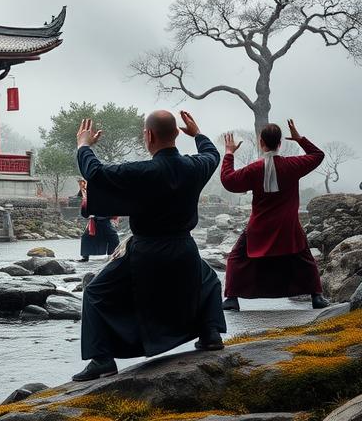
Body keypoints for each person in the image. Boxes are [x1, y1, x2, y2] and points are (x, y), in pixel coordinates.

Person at [73, 110, 226, 382]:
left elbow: (95, 174)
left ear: (148, 135)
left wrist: (83, 145)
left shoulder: (140, 172)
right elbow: (213, 154)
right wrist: (198, 133)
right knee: (209, 281)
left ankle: (102, 359)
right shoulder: (196, 166)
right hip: (184, 250)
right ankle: (211, 333)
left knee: (94, 293)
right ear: (177, 134)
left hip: (146, 252)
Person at [219, 121, 330, 311]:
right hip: (288, 225)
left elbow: (228, 181)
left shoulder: (253, 169)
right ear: (280, 143)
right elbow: (318, 155)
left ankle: (231, 298)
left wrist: (229, 153)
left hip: (258, 227)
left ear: (261, 142)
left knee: (236, 258)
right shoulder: (293, 165)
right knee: (304, 259)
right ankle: (317, 297)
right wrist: (300, 138)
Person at [78, 178, 120, 262]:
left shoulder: (106, 192)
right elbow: (82, 195)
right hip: (94, 220)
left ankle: (114, 255)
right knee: (86, 237)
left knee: (113, 237)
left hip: (105, 219)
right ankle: (85, 257)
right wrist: (83, 188)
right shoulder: (89, 190)